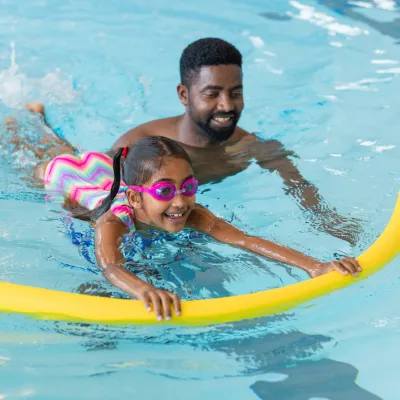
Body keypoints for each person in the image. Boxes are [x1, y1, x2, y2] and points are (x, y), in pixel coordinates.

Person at [30, 127, 361, 321]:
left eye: (188, 187)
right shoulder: (113, 221)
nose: (180, 202)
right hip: (69, 181)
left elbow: (244, 240)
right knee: (38, 155)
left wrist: (315, 266)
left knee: (67, 147)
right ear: (134, 199)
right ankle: (25, 122)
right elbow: (111, 268)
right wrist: (144, 288)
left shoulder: (192, 211)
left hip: (107, 171)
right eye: (164, 190)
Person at [112, 37, 362, 246]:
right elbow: (98, 195)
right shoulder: (138, 146)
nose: (227, 105)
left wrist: (329, 222)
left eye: (236, 93)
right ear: (184, 95)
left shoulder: (252, 148)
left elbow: (300, 188)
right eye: (212, 94)